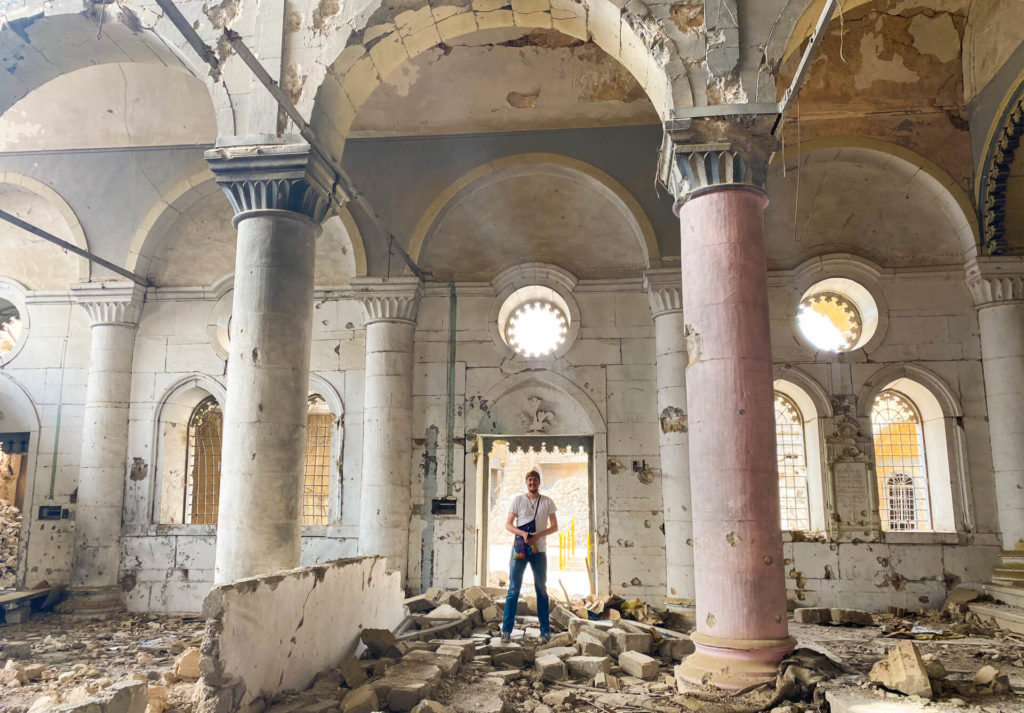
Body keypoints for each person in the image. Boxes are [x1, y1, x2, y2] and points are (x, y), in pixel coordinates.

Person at [501, 468, 558, 643]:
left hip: (539, 551)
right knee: (513, 590)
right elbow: (508, 525)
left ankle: (545, 631)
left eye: (535, 480)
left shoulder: (547, 502)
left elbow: (555, 526)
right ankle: (506, 631)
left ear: (539, 483)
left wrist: (538, 535)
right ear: (526, 483)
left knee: (541, 589)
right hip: (519, 549)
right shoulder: (518, 500)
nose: (532, 483)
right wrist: (523, 534)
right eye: (529, 481)